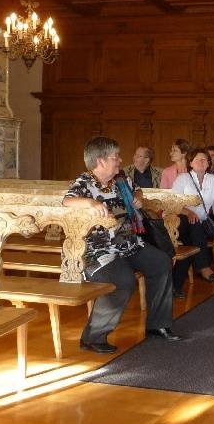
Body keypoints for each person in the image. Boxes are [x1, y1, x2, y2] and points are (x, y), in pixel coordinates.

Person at [62, 136, 181, 352]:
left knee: (161, 262)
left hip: (128, 244)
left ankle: (158, 325)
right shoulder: (85, 182)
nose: (120, 160)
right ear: (100, 160)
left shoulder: (120, 179)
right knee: (123, 280)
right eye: (115, 157)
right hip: (99, 251)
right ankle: (93, 338)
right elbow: (67, 200)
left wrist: (137, 197)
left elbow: (137, 189)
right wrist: (90, 203)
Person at [171, 147, 214, 296]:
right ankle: (204, 267)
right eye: (197, 159)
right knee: (194, 224)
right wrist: (189, 212)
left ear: (208, 163)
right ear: (190, 163)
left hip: (198, 227)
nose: (201, 162)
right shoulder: (183, 179)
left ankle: (175, 286)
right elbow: (173, 204)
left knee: (191, 245)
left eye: (204, 159)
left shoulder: (212, 180)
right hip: (179, 222)